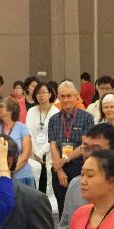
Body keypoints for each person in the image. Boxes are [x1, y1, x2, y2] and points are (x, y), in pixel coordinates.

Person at [48, 80, 94, 216]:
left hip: (79, 165)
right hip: (59, 167)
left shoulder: (87, 118)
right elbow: (53, 145)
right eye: (62, 96)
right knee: (63, 209)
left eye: (69, 96)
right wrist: (59, 169)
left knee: (80, 207)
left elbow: (85, 145)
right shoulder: (53, 119)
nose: (66, 99)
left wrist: (65, 159)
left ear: (76, 97)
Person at [0, 97, 34, 187]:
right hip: (1, 176)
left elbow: (26, 154)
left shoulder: (22, 128)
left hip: (22, 175)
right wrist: (4, 172)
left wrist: (9, 171)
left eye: (1, 106)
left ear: (10, 111)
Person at [25, 82, 60, 193]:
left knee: (48, 182)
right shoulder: (31, 111)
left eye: (43, 92)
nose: (40, 95)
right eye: (38, 93)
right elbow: (28, 133)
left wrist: (41, 153)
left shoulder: (56, 112)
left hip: (50, 152)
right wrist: (36, 153)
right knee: (36, 182)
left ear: (50, 94)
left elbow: (54, 136)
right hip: (33, 152)